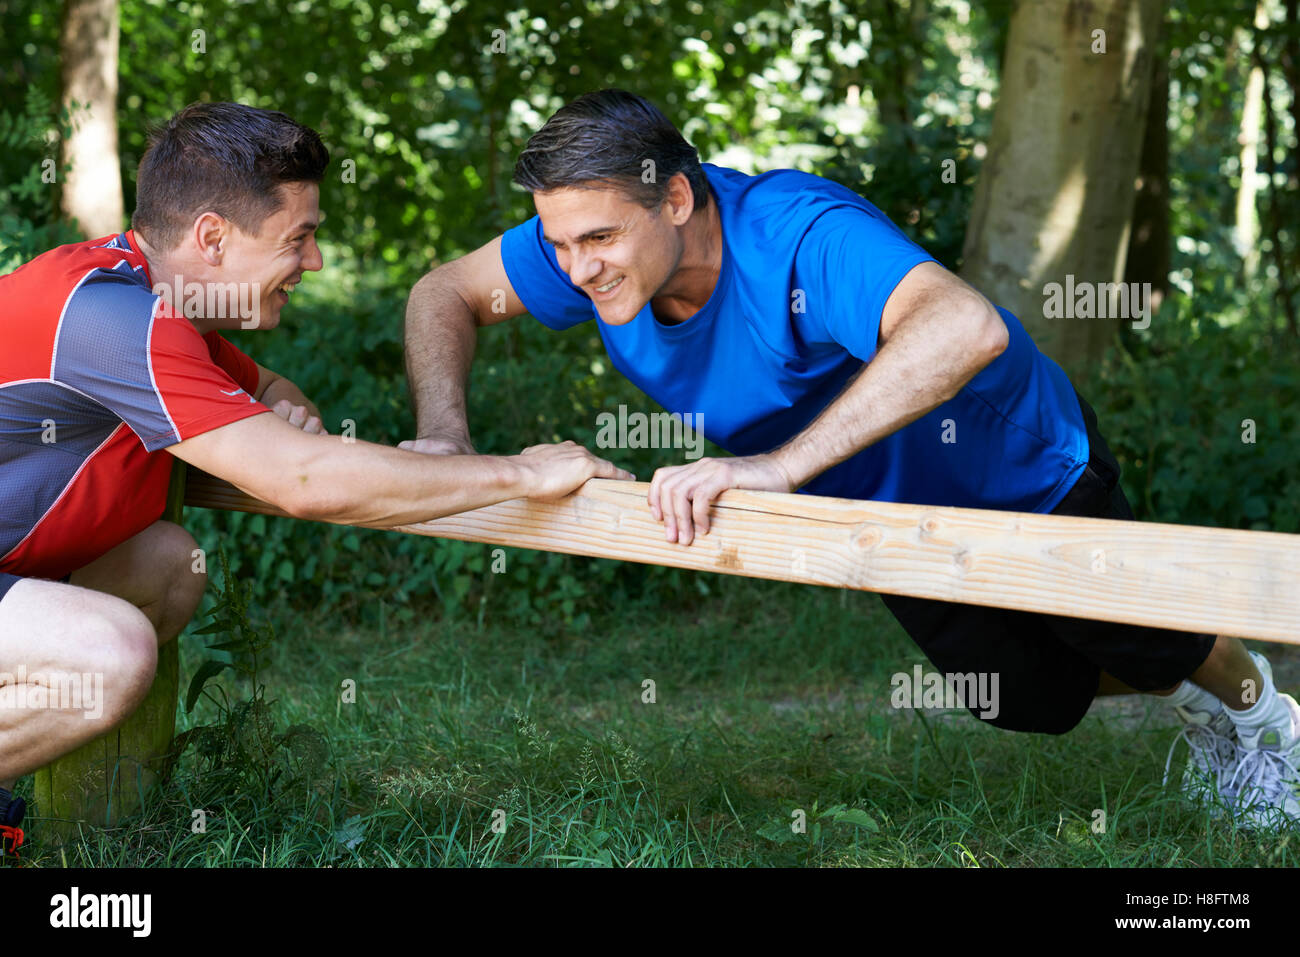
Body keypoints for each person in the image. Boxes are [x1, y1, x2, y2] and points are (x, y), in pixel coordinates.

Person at [403, 88, 1299, 829]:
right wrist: (444, 436)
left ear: (676, 198)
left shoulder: (799, 236)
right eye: (557, 244)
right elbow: (445, 290)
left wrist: (773, 469)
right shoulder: (583, 237)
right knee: (1021, 696)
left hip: (1018, 466)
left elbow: (967, 325)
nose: (576, 268)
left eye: (597, 240)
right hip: (878, 511)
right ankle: (1191, 693)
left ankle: (1262, 717)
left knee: (1142, 637)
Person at [0, 101, 630, 857]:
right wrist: (524, 473)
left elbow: (281, 395)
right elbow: (305, 479)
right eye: (299, 237)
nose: (317, 261)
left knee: (169, 565)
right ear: (212, 236)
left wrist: (280, 424)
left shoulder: (155, 298)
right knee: (110, 653)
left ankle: (89, 828)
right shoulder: (114, 321)